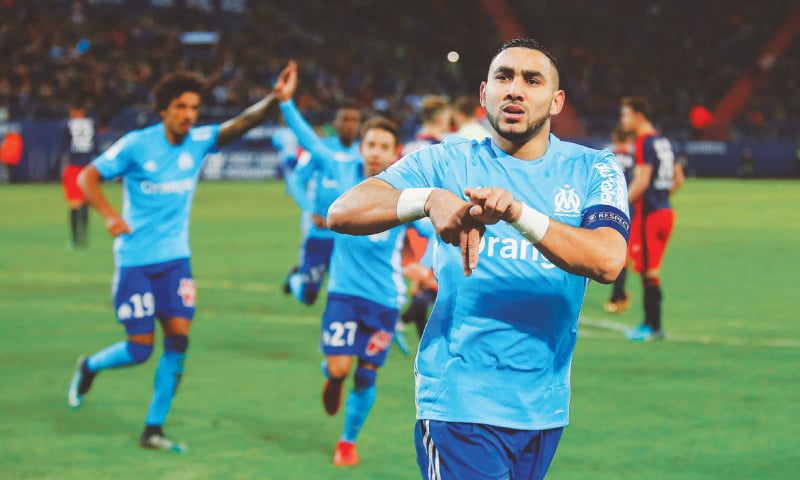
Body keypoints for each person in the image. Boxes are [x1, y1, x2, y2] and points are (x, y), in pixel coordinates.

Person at [327, 37, 629, 480]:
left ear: (556, 100)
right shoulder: (446, 162)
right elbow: (343, 211)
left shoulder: (594, 168)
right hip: (459, 401)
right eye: (503, 77)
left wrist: (518, 214)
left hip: (542, 407)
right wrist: (428, 198)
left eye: (532, 80)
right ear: (484, 94)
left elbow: (607, 260)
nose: (515, 89)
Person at [67, 62, 291, 452]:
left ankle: (153, 428)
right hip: (136, 261)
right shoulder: (138, 144)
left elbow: (239, 125)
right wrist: (110, 216)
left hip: (175, 261)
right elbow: (87, 176)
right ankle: (89, 366)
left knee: (179, 340)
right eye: (182, 107)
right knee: (139, 349)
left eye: (194, 107)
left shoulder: (199, 140)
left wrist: (275, 99)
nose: (190, 115)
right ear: (163, 110)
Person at [274, 60, 414, 467]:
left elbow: (427, 233)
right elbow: (311, 142)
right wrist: (285, 103)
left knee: (367, 374)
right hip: (345, 295)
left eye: (383, 147)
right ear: (361, 146)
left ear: (394, 152)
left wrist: (423, 269)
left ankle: (348, 441)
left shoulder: (408, 186)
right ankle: (333, 375)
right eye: (370, 145)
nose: (375, 153)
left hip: (385, 299)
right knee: (339, 368)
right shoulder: (340, 169)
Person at [280, 101, 362, 305]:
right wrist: (311, 210)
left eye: (355, 120)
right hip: (319, 231)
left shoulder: (362, 154)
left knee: (348, 289)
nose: (350, 125)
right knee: (309, 297)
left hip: (348, 236)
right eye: (346, 120)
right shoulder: (322, 150)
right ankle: (295, 279)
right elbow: (295, 181)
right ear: (335, 123)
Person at [394, 95, 452, 352]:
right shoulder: (443, 148)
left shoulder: (407, 145)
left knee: (423, 285)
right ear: (440, 117)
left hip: (408, 223)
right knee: (433, 284)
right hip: (431, 224)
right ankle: (399, 322)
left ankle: (422, 341)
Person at [619, 96, 678, 341]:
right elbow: (679, 177)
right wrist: (662, 196)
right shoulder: (664, 142)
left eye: (625, 114)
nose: (622, 120)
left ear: (639, 116)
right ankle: (653, 325)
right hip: (666, 211)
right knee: (650, 269)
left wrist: (620, 204)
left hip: (649, 214)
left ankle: (651, 326)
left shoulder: (643, 142)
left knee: (648, 271)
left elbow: (641, 181)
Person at [604, 124, 636, 313]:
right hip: (628, 209)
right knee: (623, 253)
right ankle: (617, 298)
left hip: (605, 205)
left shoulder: (608, 154)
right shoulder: (634, 156)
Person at [60, 100, 99, 249]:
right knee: (85, 202)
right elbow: (95, 146)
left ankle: (75, 240)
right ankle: (84, 238)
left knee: (75, 203)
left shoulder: (66, 124)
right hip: (88, 167)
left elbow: (63, 147)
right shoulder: (92, 123)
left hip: (74, 166)